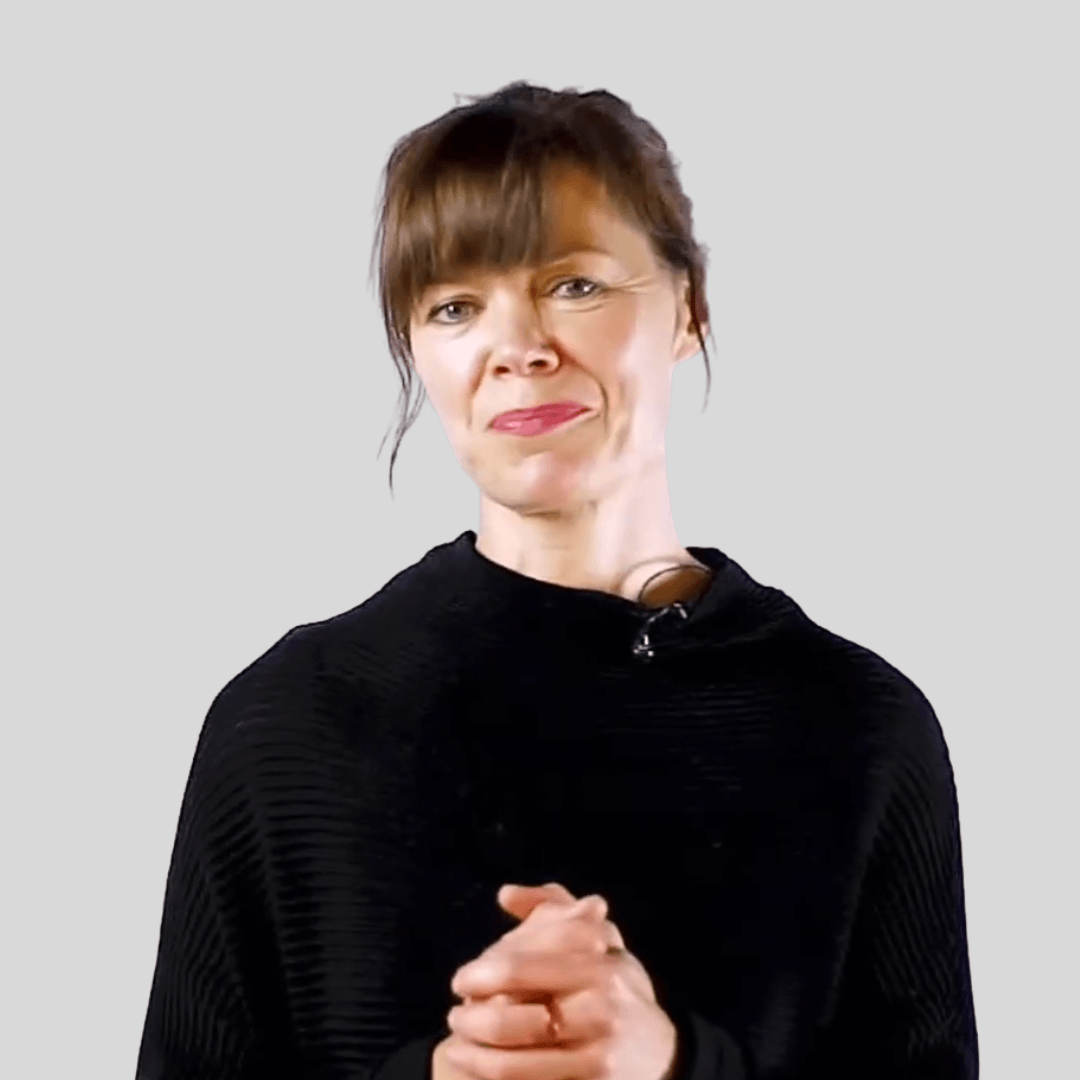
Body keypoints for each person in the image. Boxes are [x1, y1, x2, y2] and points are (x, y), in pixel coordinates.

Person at [136, 82, 978, 1080]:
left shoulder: (861, 729)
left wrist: (673, 1068)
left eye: (573, 284)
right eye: (455, 307)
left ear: (689, 309)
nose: (517, 348)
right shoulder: (286, 724)